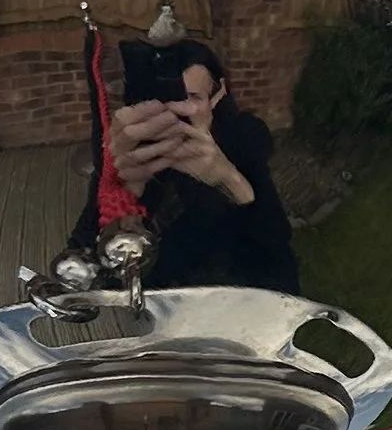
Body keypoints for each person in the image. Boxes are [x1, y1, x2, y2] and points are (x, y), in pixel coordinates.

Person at [79, 34, 301, 294]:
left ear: (218, 95)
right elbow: (88, 250)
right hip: (168, 301)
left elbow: (275, 236)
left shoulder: (242, 136)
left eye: (193, 98)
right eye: (169, 97)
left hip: (248, 291)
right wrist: (125, 192)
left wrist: (227, 178)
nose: (179, 110)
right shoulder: (140, 151)